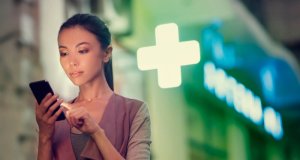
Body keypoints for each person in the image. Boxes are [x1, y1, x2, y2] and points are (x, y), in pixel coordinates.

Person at [34, 13, 151, 160]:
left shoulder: (134, 111)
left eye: (82, 51)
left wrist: (96, 132)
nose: (72, 62)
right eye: (64, 53)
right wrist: (44, 136)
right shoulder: (55, 118)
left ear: (106, 53)